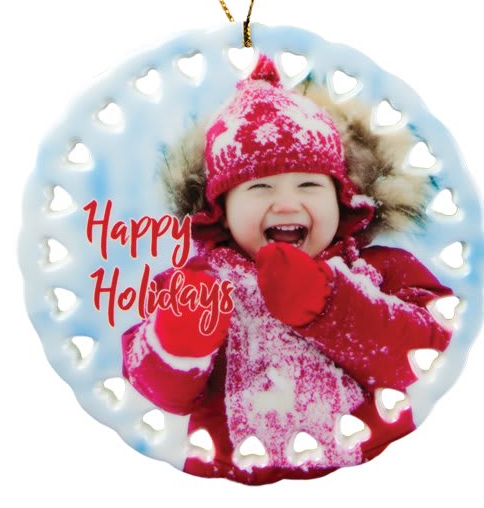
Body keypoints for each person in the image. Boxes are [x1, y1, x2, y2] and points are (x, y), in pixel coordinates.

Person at [122, 55, 453, 484]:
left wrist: (330, 305)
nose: (285, 203)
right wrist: (177, 342)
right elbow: (153, 390)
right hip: (230, 477)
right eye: (260, 187)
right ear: (221, 212)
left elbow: (428, 356)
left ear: (341, 200)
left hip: (376, 471)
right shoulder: (198, 287)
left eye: (309, 185)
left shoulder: (380, 270)